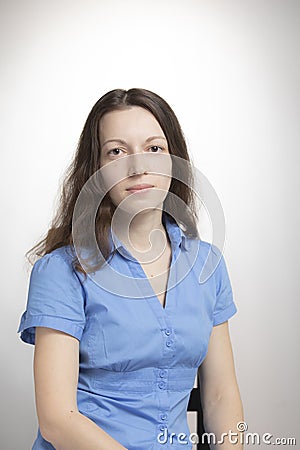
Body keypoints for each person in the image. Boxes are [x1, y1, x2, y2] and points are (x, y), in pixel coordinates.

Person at [17, 88, 244, 450]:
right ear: (97, 170)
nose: (138, 167)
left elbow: (220, 395)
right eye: (117, 152)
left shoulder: (207, 266)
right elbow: (58, 420)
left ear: (175, 159)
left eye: (154, 148)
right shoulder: (61, 270)